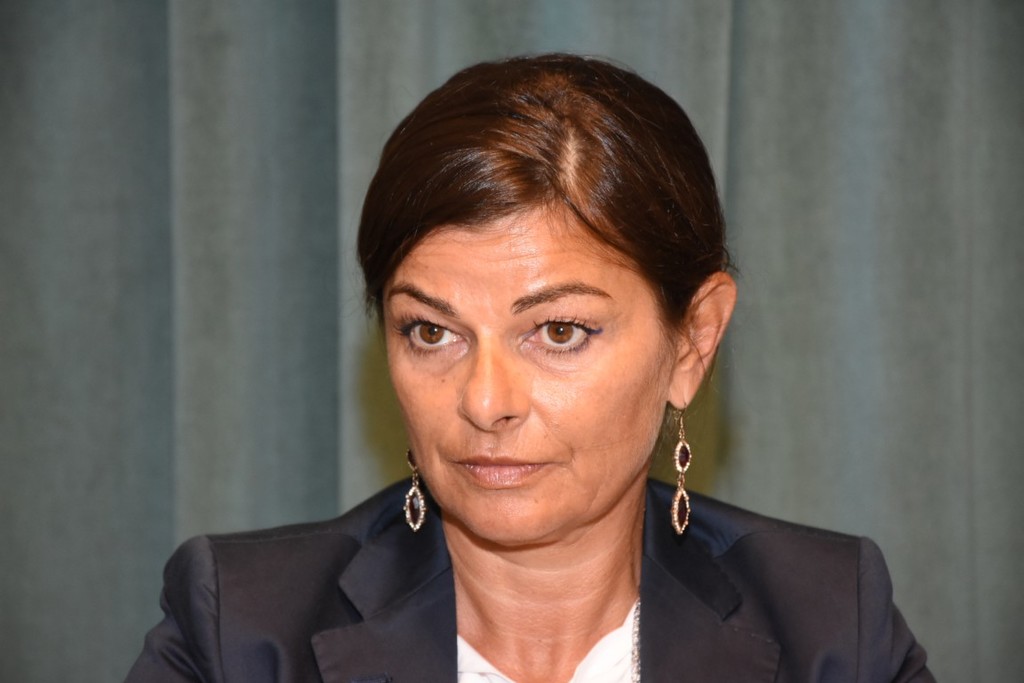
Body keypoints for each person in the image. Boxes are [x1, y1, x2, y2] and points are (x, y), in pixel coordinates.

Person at [126, 54, 934, 683]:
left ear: (692, 342)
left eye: (558, 330)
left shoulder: (833, 625)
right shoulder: (240, 632)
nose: (485, 401)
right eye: (431, 332)